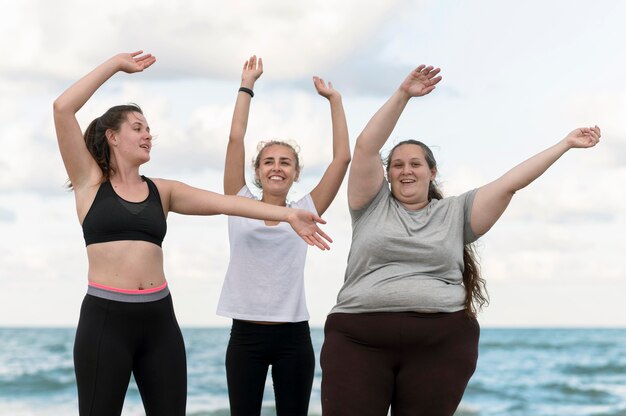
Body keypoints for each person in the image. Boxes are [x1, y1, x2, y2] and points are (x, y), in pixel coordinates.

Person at [52, 51, 332, 416]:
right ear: (113, 137)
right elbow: (62, 109)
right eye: (138, 128)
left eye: (149, 129)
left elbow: (226, 203)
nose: (148, 134)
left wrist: (288, 214)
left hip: (159, 321)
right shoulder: (89, 183)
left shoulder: (163, 191)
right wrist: (115, 66)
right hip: (106, 320)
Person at [319, 64, 601, 416]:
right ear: (387, 175)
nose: (406, 170)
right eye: (397, 165)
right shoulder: (369, 206)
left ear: (432, 171)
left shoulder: (456, 212)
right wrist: (404, 94)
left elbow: (510, 182)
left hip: (440, 342)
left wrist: (565, 144)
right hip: (359, 338)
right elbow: (364, 147)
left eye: (415, 164)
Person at [216, 55, 350, 416]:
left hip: (293, 337)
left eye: (285, 162)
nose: (277, 167)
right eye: (269, 161)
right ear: (258, 171)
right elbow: (235, 138)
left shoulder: (307, 210)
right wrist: (247, 85)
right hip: (245, 336)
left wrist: (335, 102)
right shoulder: (239, 202)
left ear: (295, 173)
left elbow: (342, 160)